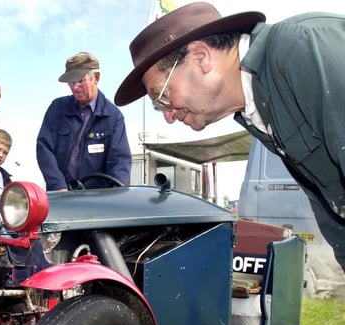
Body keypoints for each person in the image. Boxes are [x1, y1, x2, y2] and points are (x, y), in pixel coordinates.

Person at [113, 1, 345, 272]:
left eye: (162, 96)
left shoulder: (302, 49)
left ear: (201, 57)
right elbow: (330, 205)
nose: (168, 116)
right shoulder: (260, 112)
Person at [36, 51, 132, 191]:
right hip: (60, 196)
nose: (75, 87)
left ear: (96, 78)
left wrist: (115, 196)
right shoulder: (56, 109)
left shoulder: (113, 117)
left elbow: (120, 163)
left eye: (80, 80)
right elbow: (44, 148)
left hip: (95, 202)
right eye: (71, 82)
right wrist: (59, 186)